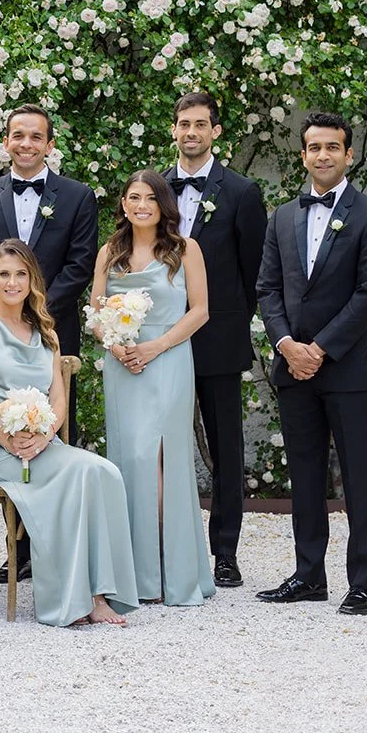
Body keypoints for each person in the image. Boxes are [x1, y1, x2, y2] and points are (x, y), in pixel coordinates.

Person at [255, 113, 367, 617]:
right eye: (314, 147)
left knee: (360, 480)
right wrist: (288, 344)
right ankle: (309, 576)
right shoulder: (282, 217)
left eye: (332, 147)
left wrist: (322, 349)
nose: (322, 155)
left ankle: (363, 583)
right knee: (306, 476)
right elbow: (268, 289)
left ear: (348, 154)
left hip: (350, 369)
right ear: (303, 154)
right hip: (293, 369)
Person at [0, 239, 138, 627]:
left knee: (103, 471)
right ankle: (75, 599)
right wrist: (7, 438)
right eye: (4, 274)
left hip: (44, 444)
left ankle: (98, 592)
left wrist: (46, 433)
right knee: (75, 475)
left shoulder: (47, 331)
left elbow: (57, 398)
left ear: (31, 280)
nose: (11, 282)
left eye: (20, 274)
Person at [0, 103, 97, 583]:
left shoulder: (78, 197)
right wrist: (3, 312)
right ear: (5, 142)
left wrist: (33, 308)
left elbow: (80, 265)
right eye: (17, 135)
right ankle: (17, 553)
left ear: (49, 144)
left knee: (51, 438)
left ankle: (51, 549)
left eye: (35, 137)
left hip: (48, 333)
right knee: (8, 443)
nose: (25, 144)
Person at [90, 170, 215, 607]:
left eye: (150, 198)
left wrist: (156, 345)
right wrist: (117, 345)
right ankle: (135, 575)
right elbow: (96, 311)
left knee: (162, 460)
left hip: (169, 359)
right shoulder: (110, 252)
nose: (141, 205)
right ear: (123, 204)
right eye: (133, 197)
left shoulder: (185, 249)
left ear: (163, 204)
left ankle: (172, 572)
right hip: (123, 367)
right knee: (130, 460)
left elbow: (199, 311)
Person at [164, 91, 266, 588]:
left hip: (218, 341)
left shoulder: (242, 193)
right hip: (159, 340)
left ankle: (224, 552)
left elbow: (254, 275)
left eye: (200, 124)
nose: (191, 132)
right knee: (161, 445)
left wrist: (225, 324)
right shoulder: (153, 188)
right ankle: (164, 548)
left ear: (215, 131)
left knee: (226, 448)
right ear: (174, 129)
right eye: (184, 123)